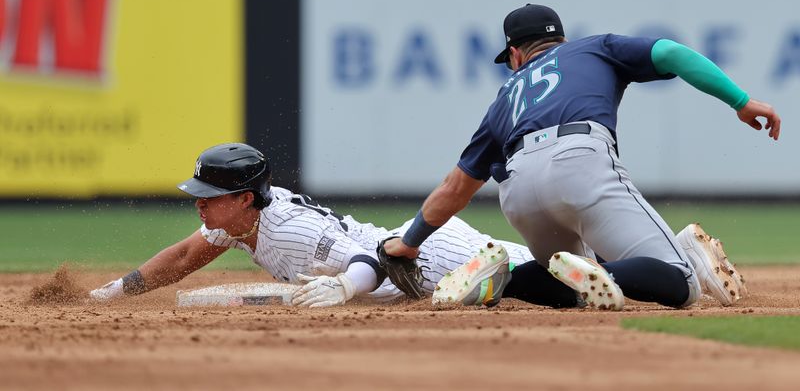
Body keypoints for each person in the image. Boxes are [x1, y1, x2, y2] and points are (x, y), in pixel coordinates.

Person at [386, 3, 779, 310]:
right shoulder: (594, 48)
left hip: (518, 188)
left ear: (515, 54)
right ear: (558, 39)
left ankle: (500, 280)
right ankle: (599, 270)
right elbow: (672, 52)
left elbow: (455, 188)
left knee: (575, 289)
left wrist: (409, 242)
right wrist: (741, 102)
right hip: (579, 161)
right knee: (682, 281)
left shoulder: (504, 98)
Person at [89, 142, 537, 307]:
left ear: (245, 199)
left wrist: (345, 287)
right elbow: (185, 256)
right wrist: (111, 293)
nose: (199, 206)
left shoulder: (288, 229)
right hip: (423, 273)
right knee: (550, 280)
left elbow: (375, 260)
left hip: (438, 256)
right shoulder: (239, 223)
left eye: (209, 197)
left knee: (561, 277)